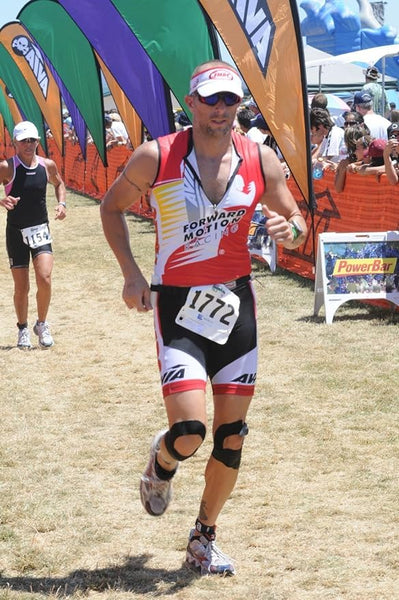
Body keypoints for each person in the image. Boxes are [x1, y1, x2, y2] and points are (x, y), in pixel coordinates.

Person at [100, 59, 307, 577]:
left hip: (237, 306)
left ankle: (203, 538)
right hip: (178, 305)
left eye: (229, 100)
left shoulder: (261, 159)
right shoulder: (158, 156)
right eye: (210, 100)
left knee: (232, 435)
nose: (220, 110)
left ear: (240, 104)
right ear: (190, 103)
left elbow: (297, 222)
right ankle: (162, 462)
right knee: (190, 431)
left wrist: (294, 231)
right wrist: (130, 273)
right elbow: (110, 207)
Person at [0, 121, 66, 349]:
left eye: (33, 140)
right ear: (15, 143)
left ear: (38, 141)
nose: (29, 144)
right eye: (24, 140)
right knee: (22, 287)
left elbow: (59, 184)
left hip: (40, 230)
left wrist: (62, 203)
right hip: (16, 232)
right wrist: (2, 199)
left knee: (45, 278)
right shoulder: (7, 167)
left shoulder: (47, 165)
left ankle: (42, 323)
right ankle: (23, 329)